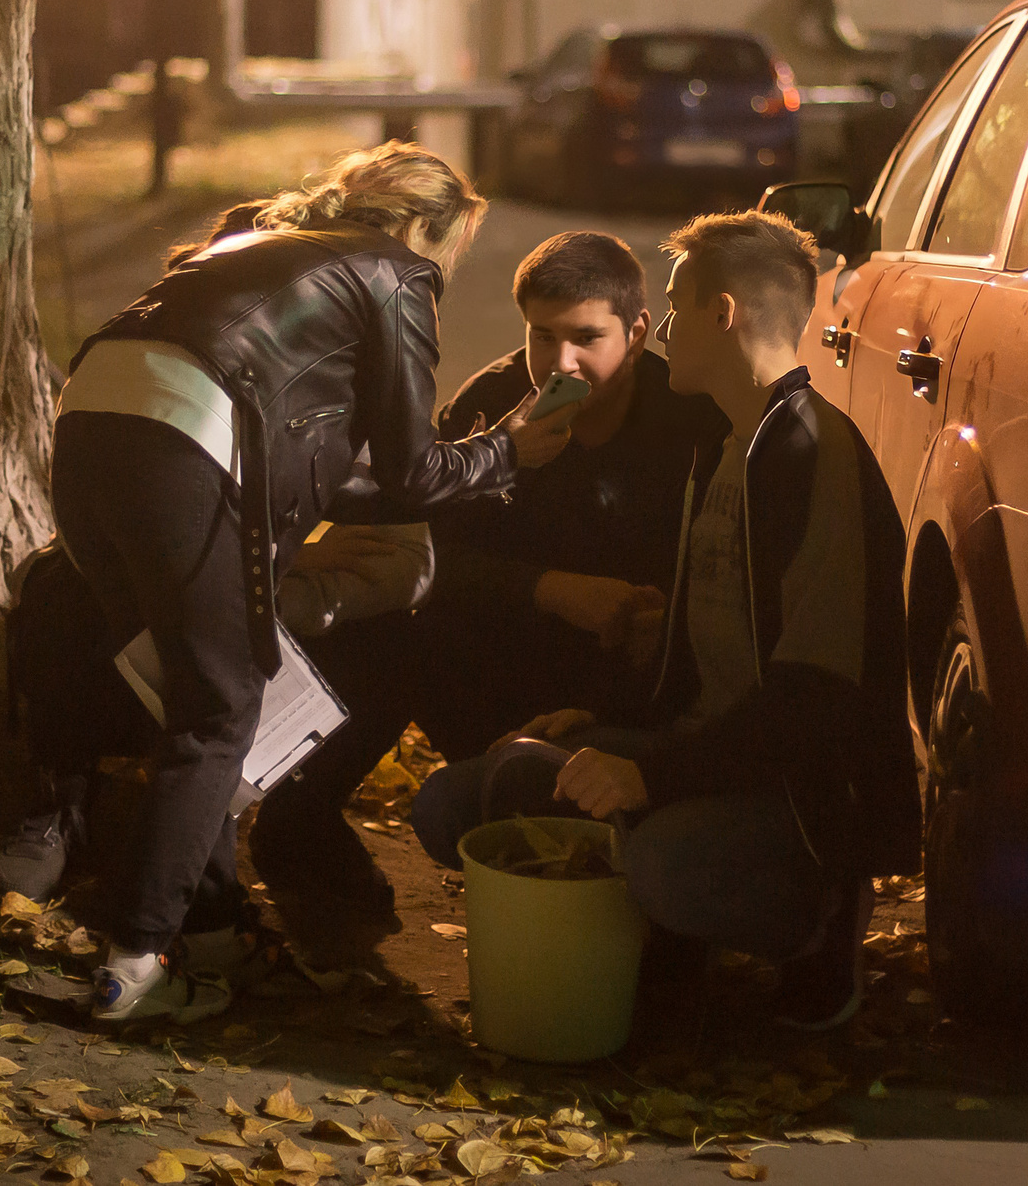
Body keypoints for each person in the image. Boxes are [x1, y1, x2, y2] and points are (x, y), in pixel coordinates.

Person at [0, 142, 578, 1024]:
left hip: (90, 432)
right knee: (218, 712)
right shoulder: (394, 273)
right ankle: (135, 964)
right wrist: (508, 450)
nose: (443, 266)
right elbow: (414, 472)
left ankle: (218, 926)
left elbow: (320, 467)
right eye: (448, 247)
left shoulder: (246, 248)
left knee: (185, 695)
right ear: (425, 227)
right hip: (179, 446)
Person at [409, 210, 918, 1029]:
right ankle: (673, 933)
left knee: (665, 868)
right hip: (699, 753)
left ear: (723, 315)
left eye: (677, 308)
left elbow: (818, 698)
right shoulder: (721, 446)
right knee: (465, 798)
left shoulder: (812, 453)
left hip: (795, 792)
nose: (667, 329)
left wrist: (652, 772)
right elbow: (693, 661)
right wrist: (610, 727)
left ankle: (817, 920)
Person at [247, 231, 725, 920]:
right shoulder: (498, 398)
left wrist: (655, 630)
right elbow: (421, 550)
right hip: (504, 671)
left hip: (633, 693)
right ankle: (300, 818)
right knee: (385, 617)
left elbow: (721, 585)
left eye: (587, 337)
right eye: (542, 336)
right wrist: (551, 587)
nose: (560, 363)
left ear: (640, 331)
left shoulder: (687, 419)